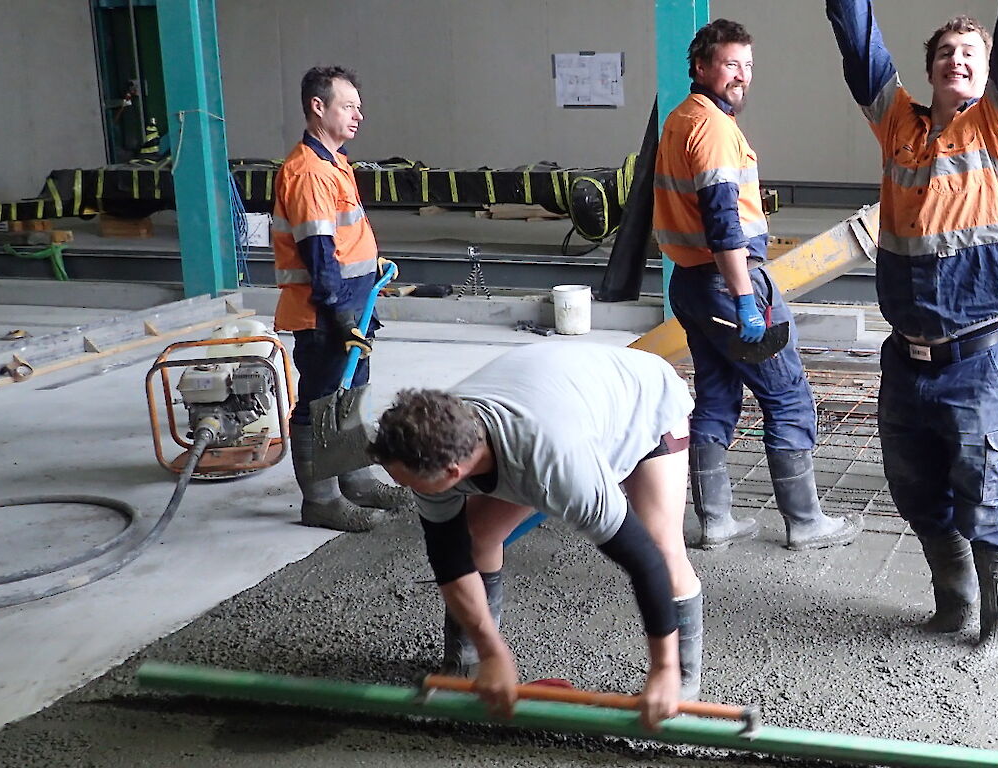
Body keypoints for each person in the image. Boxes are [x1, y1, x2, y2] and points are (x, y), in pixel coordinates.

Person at [826, 0, 998, 658]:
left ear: (986, 76)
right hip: (906, 363)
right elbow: (859, 46)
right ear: (930, 72)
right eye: (946, 54)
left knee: (986, 500)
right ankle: (954, 607)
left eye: (969, 56)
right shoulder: (899, 125)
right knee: (918, 495)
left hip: (977, 363)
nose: (958, 61)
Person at [370, 343, 710, 727]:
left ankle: (677, 684)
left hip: (642, 403)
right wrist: (493, 653)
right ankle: (468, 665)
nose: (398, 484)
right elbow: (449, 557)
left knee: (663, 548)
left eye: (403, 479)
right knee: (475, 534)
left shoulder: (557, 466)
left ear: (452, 473)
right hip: (560, 397)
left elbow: (643, 560)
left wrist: (661, 668)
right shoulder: (431, 439)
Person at [654, 19, 859, 552]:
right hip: (728, 283)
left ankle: (715, 520)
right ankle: (806, 522)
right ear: (701, 67)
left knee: (717, 398)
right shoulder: (715, 130)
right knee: (788, 397)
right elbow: (724, 224)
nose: (742, 76)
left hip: (690, 285)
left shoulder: (680, 121)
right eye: (730, 64)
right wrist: (747, 301)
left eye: (748, 66)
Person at [272, 66, 411, 533]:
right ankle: (322, 501)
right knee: (320, 400)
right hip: (324, 309)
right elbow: (317, 252)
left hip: (352, 301)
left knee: (349, 393)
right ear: (318, 107)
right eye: (348, 106)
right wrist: (339, 312)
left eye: (358, 106)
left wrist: (370, 267)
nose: (358, 115)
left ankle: (355, 480)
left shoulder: (334, 161)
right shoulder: (309, 172)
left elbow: (341, 237)